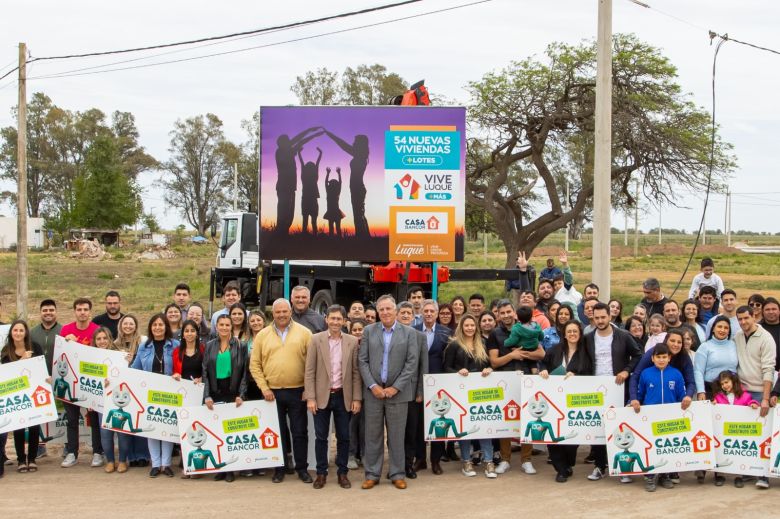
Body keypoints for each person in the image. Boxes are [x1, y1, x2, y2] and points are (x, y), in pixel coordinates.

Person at [358, 294, 420, 490]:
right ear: (378, 312)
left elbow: (412, 363)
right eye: (381, 309)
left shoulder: (409, 333)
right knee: (372, 436)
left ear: (396, 311)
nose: (385, 312)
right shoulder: (369, 331)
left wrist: (396, 387)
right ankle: (372, 474)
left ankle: (397, 473)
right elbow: (362, 361)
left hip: (398, 394)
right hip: (373, 393)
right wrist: (372, 386)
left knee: (396, 436)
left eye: (388, 309)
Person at [250, 298, 313, 484]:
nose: (282, 315)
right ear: (273, 314)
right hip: (272, 393)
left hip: (298, 391)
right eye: (278, 312)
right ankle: (280, 468)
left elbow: (312, 364)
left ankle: (302, 468)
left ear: (290, 311)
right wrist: (264, 388)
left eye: (285, 311)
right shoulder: (262, 335)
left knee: (299, 431)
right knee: (276, 433)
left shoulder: (305, 333)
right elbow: (255, 365)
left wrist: (308, 389)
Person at [304, 305, 362, 489]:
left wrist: (356, 398)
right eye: (332, 318)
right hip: (321, 396)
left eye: (339, 319)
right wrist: (311, 397)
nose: (336, 322)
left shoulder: (352, 341)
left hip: (343, 395)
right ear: (326, 319)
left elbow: (355, 372)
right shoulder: (315, 339)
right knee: (321, 437)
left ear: (345, 321)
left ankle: (342, 473)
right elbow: (309, 371)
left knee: (344, 437)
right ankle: (321, 473)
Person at [585, 303, 643, 481]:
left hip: (618, 387)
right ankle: (600, 465)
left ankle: (624, 469)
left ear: (610, 316)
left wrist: (627, 370)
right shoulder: (587, 338)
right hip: (595, 389)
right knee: (598, 427)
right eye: (597, 318)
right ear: (593, 318)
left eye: (603, 317)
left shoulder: (623, 336)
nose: (600, 321)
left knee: (620, 427)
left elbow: (638, 355)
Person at [487, 299, 544, 475]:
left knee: (527, 418)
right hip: (504, 381)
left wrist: (524, 354)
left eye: (508, 312)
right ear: (498, 314)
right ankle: (505, 459)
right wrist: (512, 355)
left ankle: (526, 460)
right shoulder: (495, 334)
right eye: (501, 313)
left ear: (514, 312)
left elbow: (541, 353)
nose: (505, 316)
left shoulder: (529, 327)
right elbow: (494, 362)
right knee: (506, 420)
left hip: (526, 378)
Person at [442, 314, 498, 479]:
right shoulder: (453, 345)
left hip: (481, 393)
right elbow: (446, 367)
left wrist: (489, 370)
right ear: (461, 327)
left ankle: (488, 461)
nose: (469, 328)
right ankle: (466, 460)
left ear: (476, 327)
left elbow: (489, 364)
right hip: (461, 393)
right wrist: (457, 372)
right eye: (466, 325)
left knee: (484, 426)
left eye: (472, 325)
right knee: (465, 427)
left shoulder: (483, 343)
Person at [538, 320, 593, 483]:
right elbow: (543, 364)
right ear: (564, 334)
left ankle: (568, 463)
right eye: (569, 331)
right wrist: (543, 371)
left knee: (572, 437)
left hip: (575, 401)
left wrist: (577, 377)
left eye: (575, 331)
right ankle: (560, 469)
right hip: (553, 399)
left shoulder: (586, 352)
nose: (572, 334)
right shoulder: (555, 350)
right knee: (553, 435)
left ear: (580, 333)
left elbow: (591, 375)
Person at [632, 343, 686, 492]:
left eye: (664, 357)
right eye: (658, 357)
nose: (661, 360)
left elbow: (681, 395)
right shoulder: (646, 374)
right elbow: (640, 395)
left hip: (670, 417)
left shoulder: (676, 374)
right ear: (652, 358)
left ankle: (665, 475)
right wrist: (635, 401)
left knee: (666, 447)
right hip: (650, 416)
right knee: (651, 446)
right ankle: (650, 476)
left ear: (669, 358)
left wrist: (686, 398)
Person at [733, 305, 776, 490]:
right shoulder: (737, 336)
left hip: (760, 391)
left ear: (754, 317)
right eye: (740, 319)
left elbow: (769, 369)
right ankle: (748, 471)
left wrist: (766, 398)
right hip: (742, 392)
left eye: (746, 318)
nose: (743, 322)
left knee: (764, 435)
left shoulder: (766, 338)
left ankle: (764, 474)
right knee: (746, 434)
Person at [130, 314, 177, 478]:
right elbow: (134, 369)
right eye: (154, 325)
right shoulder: (144, 347)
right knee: (153, 429)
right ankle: (156, 464)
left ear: (166, 327)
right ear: (150, 327)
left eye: (161, 325)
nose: (158, 328)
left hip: (170, 394)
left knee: (167, 427)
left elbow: (180, 366)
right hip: (149, 393)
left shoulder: (175, 345)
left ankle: (166, 464)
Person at [202, 314, 248, 483]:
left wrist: (241, 394)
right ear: (216, 326)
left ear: (231, 326)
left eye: (227, 325)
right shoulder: (209, 346)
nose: (224, 328)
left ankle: (231, 469)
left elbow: (244, 372)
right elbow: (205, 372)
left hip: (232, 391)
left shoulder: (240, 346)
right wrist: (206, 395)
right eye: (221, 325)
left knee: (230, 432)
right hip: (215, 392)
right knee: (216, 432)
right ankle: (220, 468)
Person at [60, 298, 104, 469]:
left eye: (85, 309)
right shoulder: (66, 330)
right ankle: (72, 452)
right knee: (71, 419)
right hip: (71, 381)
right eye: (79, 309)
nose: (82, 312)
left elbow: (102, 354)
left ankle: (97, 452)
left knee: (93, 419)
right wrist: (66, 342)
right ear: (74, 311)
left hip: (91, 383)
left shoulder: (97, 330)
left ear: (90, 312)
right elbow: (60, 357)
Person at [412, 300, 449, 476]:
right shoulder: (413, 331)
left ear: (436, 313)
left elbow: (448, 359)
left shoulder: (446, 332)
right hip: (417, 384)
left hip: (439, 385)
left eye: (431, 311)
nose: (428, 314)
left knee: (439, 421)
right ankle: (420, 459)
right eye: (425, 311)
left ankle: (435, 460)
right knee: (418, 423)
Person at [1, 320, 44, 474]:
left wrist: (47, 379)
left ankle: (32, 459)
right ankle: (21, 459)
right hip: (17, 394)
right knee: (18, 427)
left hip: (33, 390)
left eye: (21, 330)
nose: (18, 333)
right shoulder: (6, 351)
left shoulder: (35, 347)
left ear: (26, 332)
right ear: (11, 333)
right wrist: (22, 360)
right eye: (15, 330)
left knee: (34, 426)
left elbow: (41, 367)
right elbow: (7, 374)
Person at [629, 329, 695, 416]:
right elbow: (636, 376)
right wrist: (634, 398)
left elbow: (690, 381)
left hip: (672, 407)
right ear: (665, 341)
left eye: (679, 342)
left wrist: (688, 395)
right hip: (650, 408)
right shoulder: (653, 353)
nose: (676, 344)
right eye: (672, 341)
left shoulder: (683, 357)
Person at [113, 314, 149, 468]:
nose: (128, 326)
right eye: (125, 323)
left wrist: (132, 361)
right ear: (120, 326)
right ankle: (130, 456)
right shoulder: (114, 344)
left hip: (139, 387)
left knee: (139, 421)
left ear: (136, 326)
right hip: (121, 390)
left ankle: (142, 455)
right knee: (126, 424)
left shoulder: (144, 341)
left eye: (131, 324)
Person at [711, 370, 759, 488]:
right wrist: (713, 404)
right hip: (723, 431)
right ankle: (720, 475)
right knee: (721, 450)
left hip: (739, 431)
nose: (724, 386)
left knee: (738, 451)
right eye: (722, 384)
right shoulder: (719, 396)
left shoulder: (745, 395)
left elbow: (751, 402)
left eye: (726, 382)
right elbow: (715, 408)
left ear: (733, 381)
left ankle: (738, 476)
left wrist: (753, 404)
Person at [93, 327, 130, 475]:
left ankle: (122, 461)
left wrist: (128, 361)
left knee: (122, 432)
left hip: (120, 399)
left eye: (105, 338)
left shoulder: (120, 356)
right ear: (95, 342)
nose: (102, 341)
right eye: (99, 339)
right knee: (105, 432)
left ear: (110, 339)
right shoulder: (90, 358)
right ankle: (109, 460)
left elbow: (128, 376)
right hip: (101, 400)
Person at [275, 127, 324, 234]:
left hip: (290, 188)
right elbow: (299, 140)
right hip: (284, 188)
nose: (290, 143)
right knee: (284, 213)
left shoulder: (287, 151)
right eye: (288, 142)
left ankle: (283, 234)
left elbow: (299, 141)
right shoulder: (281, 152)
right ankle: (280, 234)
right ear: (284, 143)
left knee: (289, 215)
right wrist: (311, 132)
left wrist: (311, 132)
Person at [322, 129, 369, 237]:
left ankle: (362, 237)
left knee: (358, 214)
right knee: (359, 214)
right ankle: (363, 236)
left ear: (360, 144)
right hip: (356, 188)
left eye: (356, 141)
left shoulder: (360, 155)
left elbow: (343, 145)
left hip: (357, 188)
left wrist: (330, 134)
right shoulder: (359, 156)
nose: (353, 143)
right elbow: (344, 145)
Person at [347, 318, 367, 470]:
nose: (358, 332)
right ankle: (351, 454)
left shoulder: (370, 346)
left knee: (366, 426)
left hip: (369, 392)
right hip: (351, 392)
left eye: (361, 329)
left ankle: (365, 454)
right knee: (351, 425)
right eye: (355, 330)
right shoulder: (347, 346)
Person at [504, 306, 544, 374]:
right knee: (533, 362)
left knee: (517, 361)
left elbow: (513, 340)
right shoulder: (537, 326)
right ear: (531, 316)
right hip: (533, 349)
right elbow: (541, 337)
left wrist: (506, 343)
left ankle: (518, 373)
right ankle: (535, 372)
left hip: (521, 349)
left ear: (518, 317)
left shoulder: (516, 328)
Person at [30, 299, 62, 373]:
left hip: (57, 375)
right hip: (37, 374)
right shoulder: (32, 332)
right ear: (40, 313)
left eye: (51, 310)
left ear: (56, 312)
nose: (48, 312)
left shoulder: (64, 331)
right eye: (45, 310)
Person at [298, 146, 322, 235]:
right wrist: (320, 153)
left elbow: (302, 163)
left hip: (305, 200)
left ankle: (305, 237)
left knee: (305, 221)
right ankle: (314, 237)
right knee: (313, 222)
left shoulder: (304, 177)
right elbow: (317, 163)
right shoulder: (314, 177)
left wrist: (299, 153)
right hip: (312, 200)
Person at [172, 320, 204, 385]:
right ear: (183, 335)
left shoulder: (203, 350)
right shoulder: (176, 352)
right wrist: (176, 375)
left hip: (199, 389)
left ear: (197, 334)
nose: (189, 333)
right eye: (186, 331)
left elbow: (208, 371)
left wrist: (201, 378)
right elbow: (174, 371)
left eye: (192, 331)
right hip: (182, 389)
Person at [323, 166, 345, 237]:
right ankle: (338, 241)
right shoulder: (336, 192)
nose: (329, 184)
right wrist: (338, 173)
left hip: (332, 211)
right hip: (335, 211)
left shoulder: (329, 192)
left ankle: (333, 241)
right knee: (336, 228)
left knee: (332, 228)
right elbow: (340, 183)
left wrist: (328, 173)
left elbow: (326, 183)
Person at [760, 297, 780, 369]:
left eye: (774, 309)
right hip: (762, 372)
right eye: (767, 309)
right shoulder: (757, 329)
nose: (771, 312)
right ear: (762, 311)